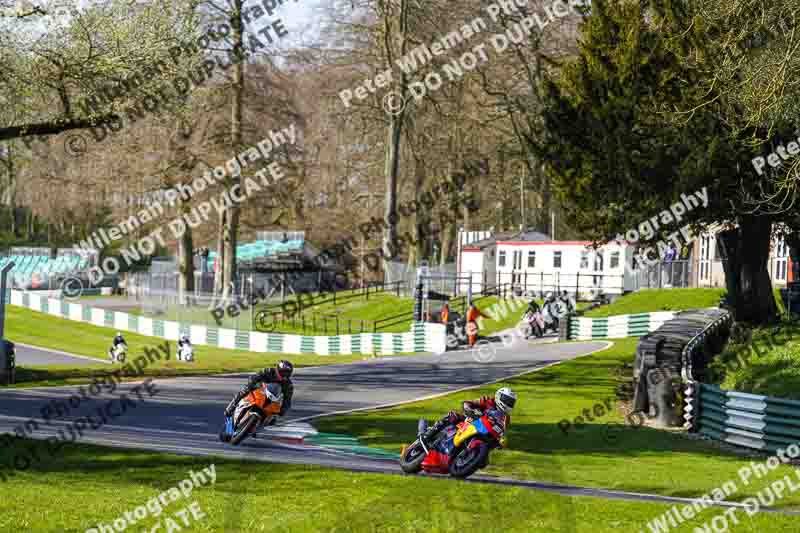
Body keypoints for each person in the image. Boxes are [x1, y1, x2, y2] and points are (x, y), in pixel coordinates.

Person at [419, 387, 517, 446]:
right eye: (507, 400)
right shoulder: (487, 401)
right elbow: (467, 403)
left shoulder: (506, 419)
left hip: (483, 435)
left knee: (484, 462)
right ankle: (427, 435)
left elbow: (501, 433)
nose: (508, 404)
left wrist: (501, 440)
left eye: (511, 402)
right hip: (468, 422)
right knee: (452, 415)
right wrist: (473, 411)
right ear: (499, 396)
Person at [224, 360, 294, 422]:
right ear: (278, 369)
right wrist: (252, 382)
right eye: (283, 372)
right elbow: (255, 376)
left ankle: (257, 427)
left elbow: (288, 400)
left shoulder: (288, 385)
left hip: (273, 398)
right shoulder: (268, 371)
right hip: (260, 389)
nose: (285, 375)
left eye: (287, 373)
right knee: (245, 389)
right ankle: (231, 407)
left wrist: (283, 410)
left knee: (273, 419)